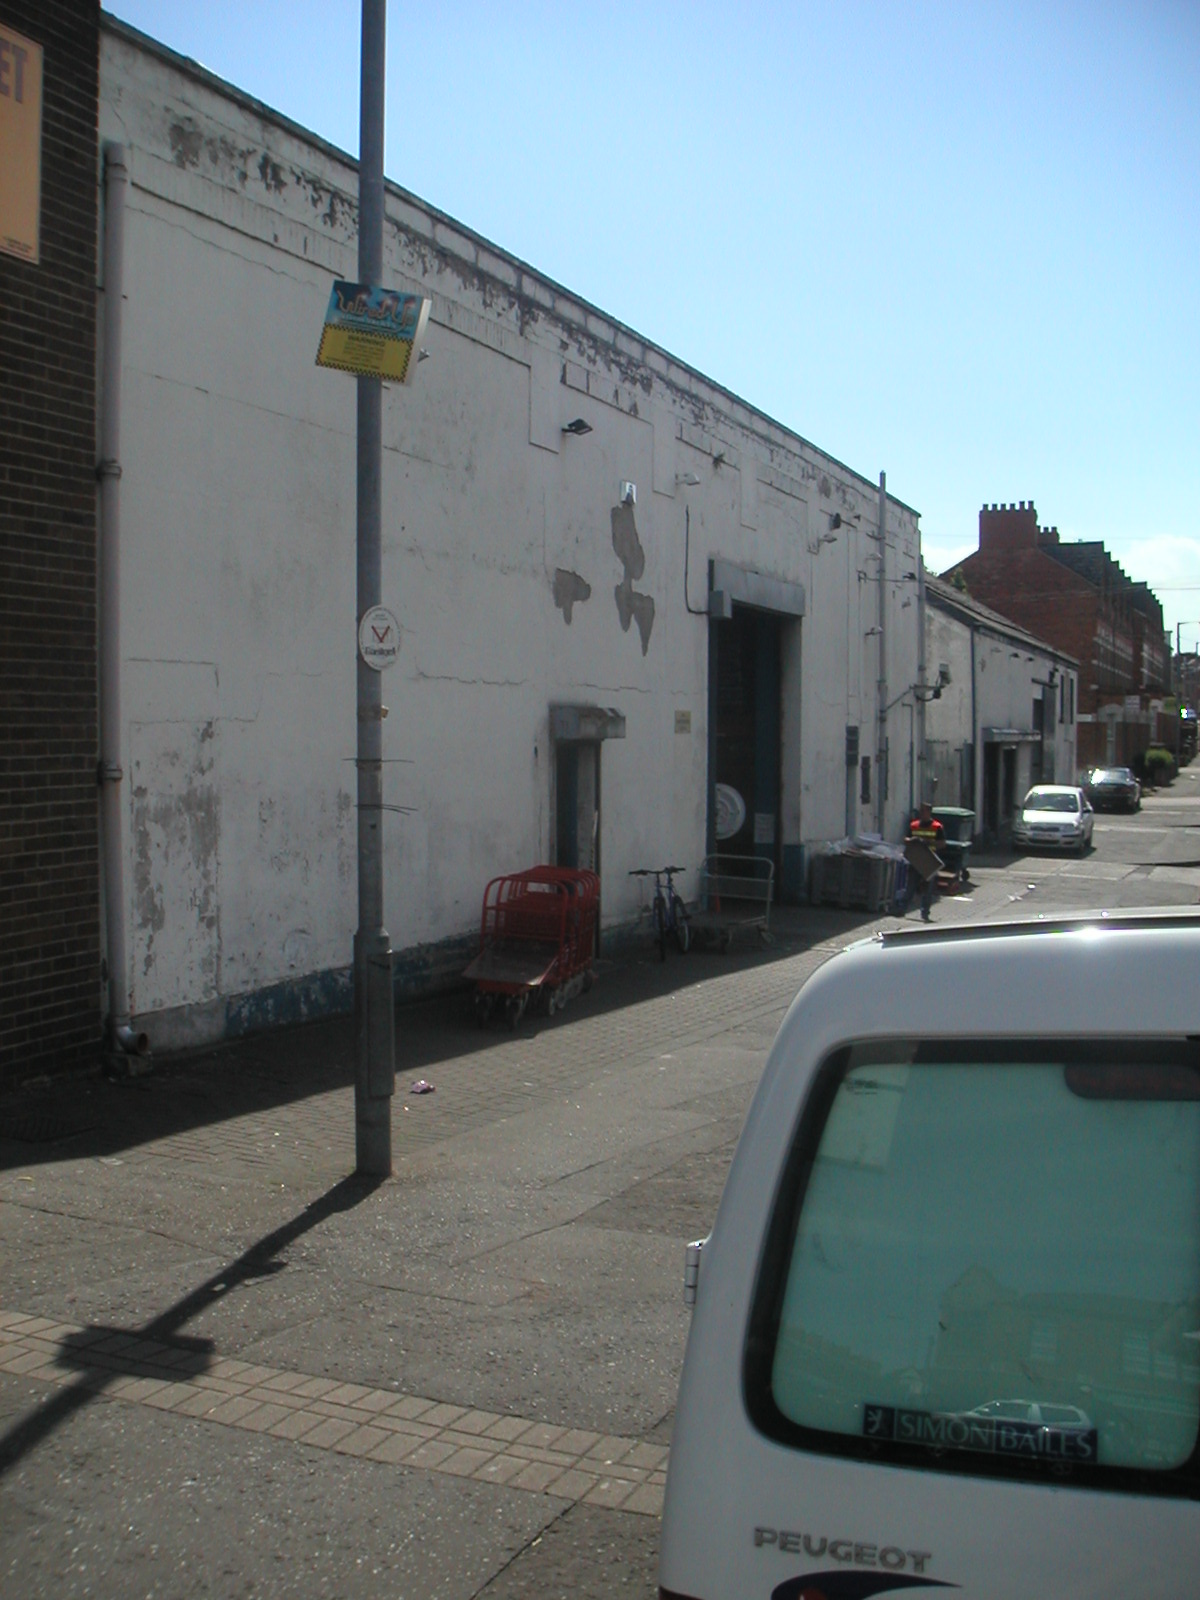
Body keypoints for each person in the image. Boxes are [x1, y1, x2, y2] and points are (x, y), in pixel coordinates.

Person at [906, 802, 945, 921]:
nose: (921, 813)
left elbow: (942, 844)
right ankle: (902, 909)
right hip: (916, 859)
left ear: (929, 812)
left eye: (923, 811)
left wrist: (928, 842)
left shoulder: (937, 827)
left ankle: (925, 913)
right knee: (910, 886)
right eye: (920, 811)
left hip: (929, 862)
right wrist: (911, 840)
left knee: (927, 889)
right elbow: (906, 838)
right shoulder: (914, 825)